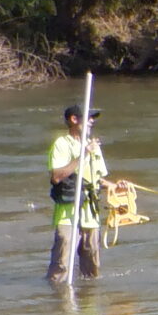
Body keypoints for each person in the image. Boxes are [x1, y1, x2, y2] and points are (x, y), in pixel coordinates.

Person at [46, 104, 109, 281]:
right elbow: (57, 176)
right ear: (74, 119)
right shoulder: (61, 144)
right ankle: (59, 303)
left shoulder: (93, 146)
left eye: (93, 119)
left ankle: (89, 304)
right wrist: (83, 155)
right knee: (61, 268)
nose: (91, 122)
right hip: (68, 214)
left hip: (91, 215)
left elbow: (97, 180)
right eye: (88, 117)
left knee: (92, 271)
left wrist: (114, 186)